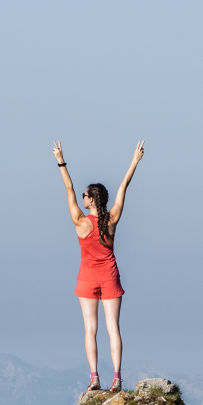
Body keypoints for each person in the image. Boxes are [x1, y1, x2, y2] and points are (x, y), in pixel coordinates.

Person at [54, 140, 144, 391]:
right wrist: (134, 161)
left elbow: (68, 188)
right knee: (113, 328)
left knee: (90, 328)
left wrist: (61, 160)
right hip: (110, 277)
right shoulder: (112, 219)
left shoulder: (81, 222)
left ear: (91, 199)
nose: (82, 197)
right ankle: (117, 378)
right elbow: (124, 186)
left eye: (86, 195)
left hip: (87, 278)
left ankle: (94, 377)